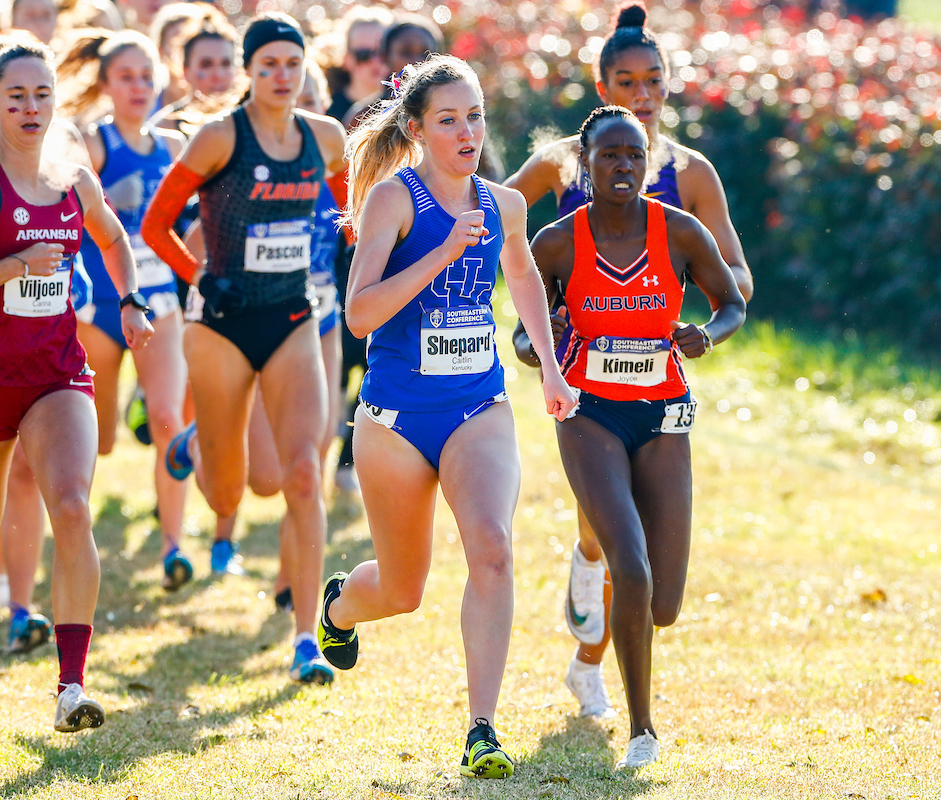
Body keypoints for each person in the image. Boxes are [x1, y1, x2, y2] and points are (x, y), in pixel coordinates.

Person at [316, 54, 575, 779]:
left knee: (492, 547)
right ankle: (339, 607)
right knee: (402, 590)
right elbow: (360, 314)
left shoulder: (505, 205)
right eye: (449, 120)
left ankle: (482, 730)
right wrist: (441, 254)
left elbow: (521, 275)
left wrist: (551, 369)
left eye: (476, 117)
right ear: (418, 129)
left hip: (476, 408)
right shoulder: (393, 202)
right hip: (394, 422)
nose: (467, 132)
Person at [506, 1, 754, 720]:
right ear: (601, 84)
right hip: (581, 376)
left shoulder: (691, 174)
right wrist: (536, 317)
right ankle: (590, 634)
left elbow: (736, 274)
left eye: (654, 81)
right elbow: (494, 218)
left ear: (669, 85)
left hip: (658, 376)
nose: (641, 95)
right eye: (626, 81)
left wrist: (703, 313)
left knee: (641, 560)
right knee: (614, 540)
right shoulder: (563, 161)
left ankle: (588, 665)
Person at [0, 40, 153, 732]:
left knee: (72, 506)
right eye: (15, 95)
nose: (30, 107)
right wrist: (11, 265)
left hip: (55, 371)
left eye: (42, 94)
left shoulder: (76, 179)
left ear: (57, 100)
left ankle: (71, 687)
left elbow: (112, 239)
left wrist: (130, 300)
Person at [532, 105, 745, 768]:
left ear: (648, 163)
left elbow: (731, 300)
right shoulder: (557, 243)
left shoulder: (679, 232)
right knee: (631, 563)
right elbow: (527, 328)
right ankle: (642, 731)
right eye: (609, 156)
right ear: (583, 165)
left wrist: (706, 333)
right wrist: (537, 346)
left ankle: (596, 611)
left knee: (663, 605)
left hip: (662, 415)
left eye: (634, 155)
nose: (623, 166)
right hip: (590, 412)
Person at [141, 13, 346, 684]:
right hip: (221, 325)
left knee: (297, 475)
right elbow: (155, 224)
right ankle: (193, 447)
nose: (282, 76)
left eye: (293, 64)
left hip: (292, 317)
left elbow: (344, 212)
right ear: (248, 72)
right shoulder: (217, 138)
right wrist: (200, 276)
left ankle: (305, 640)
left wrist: (356, 239)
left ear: (306, 67)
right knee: (228, 488)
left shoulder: (325, 138)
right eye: (269, 66)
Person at [57, 29, 192, 590]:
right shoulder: (93, 144)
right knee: (101, 437)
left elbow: (190, 224)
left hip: (159, 298)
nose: (138, 86)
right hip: (102, 304)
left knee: (168, 419)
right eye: (126, 77)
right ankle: (73, 538)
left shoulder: (174, 146)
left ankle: (173, 547)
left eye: (146, 76)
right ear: (106, 83)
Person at [324, 5, 390, 124]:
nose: (376, 61)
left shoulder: (404, 106)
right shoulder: (329, 111)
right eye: (364, 55)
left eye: (382, 52)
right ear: (347, 59)